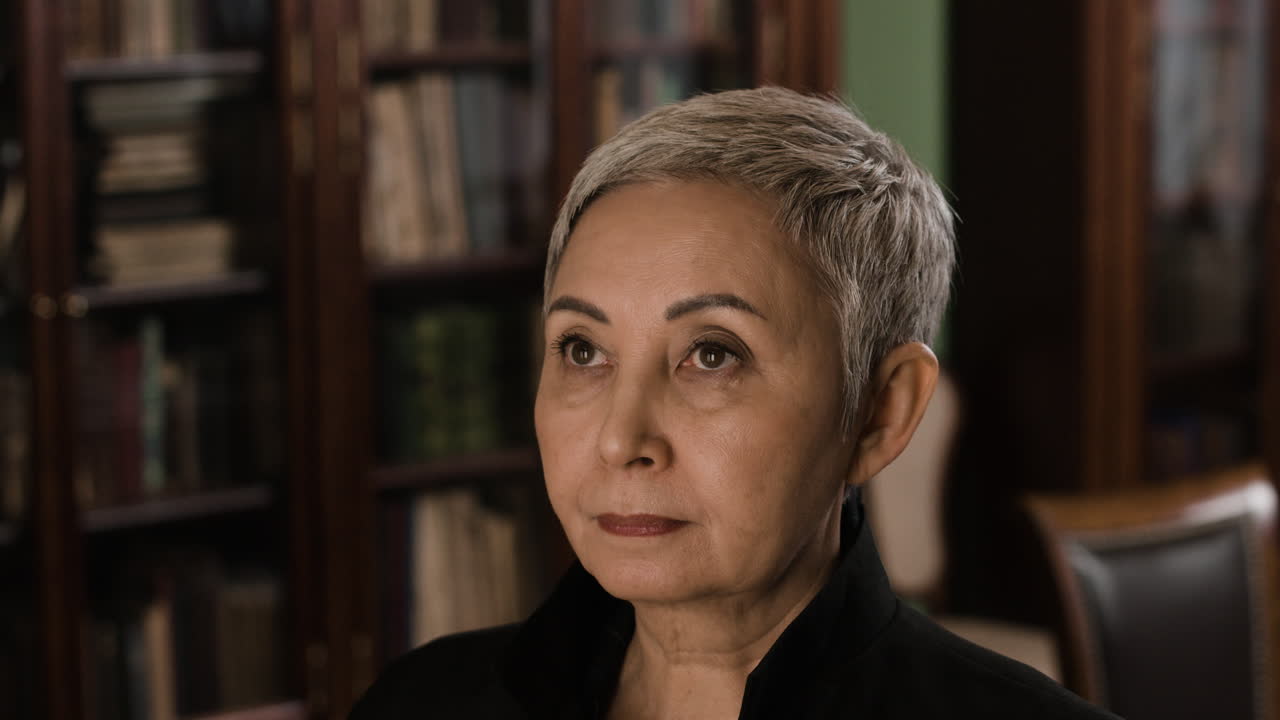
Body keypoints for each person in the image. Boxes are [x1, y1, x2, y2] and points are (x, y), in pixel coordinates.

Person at [351, 87, 1117, 720]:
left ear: (880, 412)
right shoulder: (420, 703)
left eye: (712, 354)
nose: (622, 440)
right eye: (583, 350)